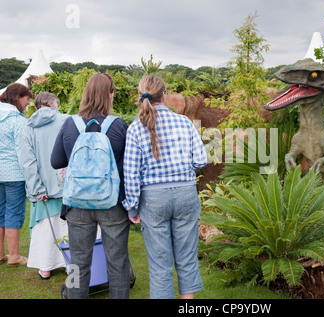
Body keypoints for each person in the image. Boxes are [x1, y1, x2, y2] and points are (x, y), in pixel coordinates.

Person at [122, 74, 207, 299]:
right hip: (186, 194)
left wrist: (132, 207)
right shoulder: (184, 122)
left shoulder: (135, 128)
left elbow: (131, 173)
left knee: (160, 265)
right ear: (165, 94)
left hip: (153, 199)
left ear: (141, 96)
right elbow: (200, 160)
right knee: (187, 258)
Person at [51, 73, 130, 299]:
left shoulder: (69, 124)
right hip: (112, 203)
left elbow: (56, 161)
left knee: (78, 262)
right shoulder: (118, 126)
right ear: (110, 94)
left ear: (85, 94)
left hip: (77, 203)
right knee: (117, 263)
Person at [19, 92, 69, 279]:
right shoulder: (68, 120)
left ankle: (45, 267)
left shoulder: (28, 126)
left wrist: (36, 188)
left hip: (43, 189)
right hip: (66, 184)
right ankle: (70, 264)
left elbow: (27, 161)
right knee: (68, 226)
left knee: (46, 228)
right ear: (52, 104)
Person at [0, 83, 32, 267]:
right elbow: (23, 151)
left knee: (0, 212)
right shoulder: (17, 120)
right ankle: (14, 256)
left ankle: (1, 254)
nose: (28, 103)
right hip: (14, 173)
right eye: (27, 99)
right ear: (18, 97)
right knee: (13, 213)